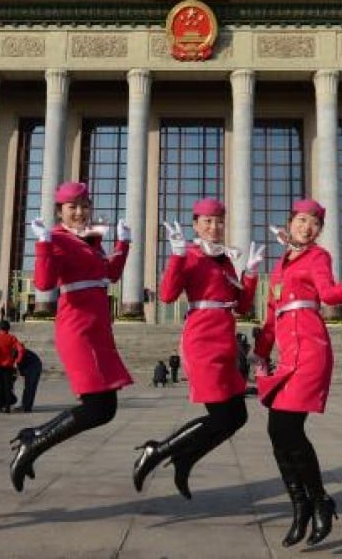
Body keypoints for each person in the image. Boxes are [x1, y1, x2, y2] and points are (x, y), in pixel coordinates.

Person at [133, 198, 260, 499]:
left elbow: (241, 306)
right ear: (195, 225)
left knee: (238, 416)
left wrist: (251, 275)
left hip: (226, 339)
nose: (214, 227)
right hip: (202, 339)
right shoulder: (189, 255)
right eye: (207, 222)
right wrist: (176, 255)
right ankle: (158, 450)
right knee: (220, 416)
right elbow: (166, 295)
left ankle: (185, 459)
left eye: (218, 221)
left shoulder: (225, 258)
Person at [9, 181, 132, 491]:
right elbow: (43, 282)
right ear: (59, 211)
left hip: (99, 330)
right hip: (77, 329)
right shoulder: (58, 239)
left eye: (84, 205)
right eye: (72, 207)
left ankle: (34, 439)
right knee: (96, 406)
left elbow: (110, 275)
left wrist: (123, 244)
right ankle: (33, 443)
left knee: (106, 408)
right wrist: (43, 243)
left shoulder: (90, 241)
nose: (80, 212)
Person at [252, 199, 342, 547]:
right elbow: (270, 312)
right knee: (277, 431)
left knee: (286, 427)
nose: (306, 227)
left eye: (313, 223)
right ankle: (302, 506)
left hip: (310, 350)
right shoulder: (281, 264)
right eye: (301, 221)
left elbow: (328, 293)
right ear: (290, 222)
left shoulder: (318, 257)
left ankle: (319, 501)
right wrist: (260, 353)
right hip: (286, 355)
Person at [0, 322, 23, 413]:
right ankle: (7, 407)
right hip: (8, 365)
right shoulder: (12, 338)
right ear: (8, 328)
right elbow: (20, 349)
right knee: (8, 387)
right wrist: (17, 360)